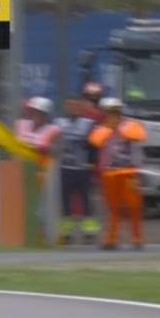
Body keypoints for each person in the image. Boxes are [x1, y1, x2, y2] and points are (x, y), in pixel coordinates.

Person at [89, 98, 146, 250]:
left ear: (119, 112)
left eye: (114, 111)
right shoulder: (102, 129)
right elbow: (97, 148)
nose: (111, 115)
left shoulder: (131, 127)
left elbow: (136, 151)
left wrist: (136, 172)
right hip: (109, 173)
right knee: (113, 208)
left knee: (134, 207)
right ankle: (111, 240)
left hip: (128, 172)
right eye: (108, 112)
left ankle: (137, 238)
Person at [54, 98, 100, 244]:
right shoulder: (59, 123)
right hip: (65, 168)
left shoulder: (88, 124)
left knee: (86, 201)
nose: (73, 108)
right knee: (65, 202)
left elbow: (94, 145)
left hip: (82, 169)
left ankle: (89, 232)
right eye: (70, 105)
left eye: (76, 106)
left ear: (81, 108)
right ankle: (66, 233)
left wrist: (92, 163)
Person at [13, 97, 60, 172]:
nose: (36, 114)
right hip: (19, 167)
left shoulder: (53, 130)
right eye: (34, 111)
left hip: (39, 169)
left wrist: (43, 149)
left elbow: (54, 152)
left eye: (40, 112)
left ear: (46, 114)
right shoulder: (20, 124)